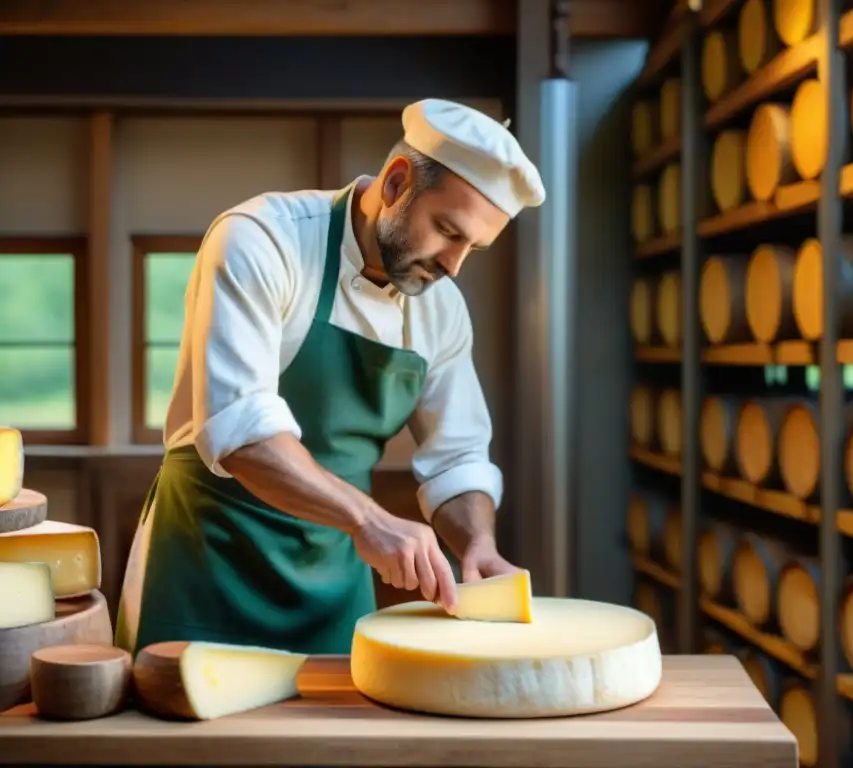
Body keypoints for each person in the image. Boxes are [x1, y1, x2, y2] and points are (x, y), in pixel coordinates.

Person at [114, 98, 546, 656]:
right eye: (446, 231)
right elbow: (241, 431)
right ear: (395, 183)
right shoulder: (261, 239)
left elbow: (457, 458)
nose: (453, 265)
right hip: (204, 562)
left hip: (333, 578)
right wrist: (367, 518)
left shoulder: (443, 312)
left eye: (474, 248)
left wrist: (478, 543)